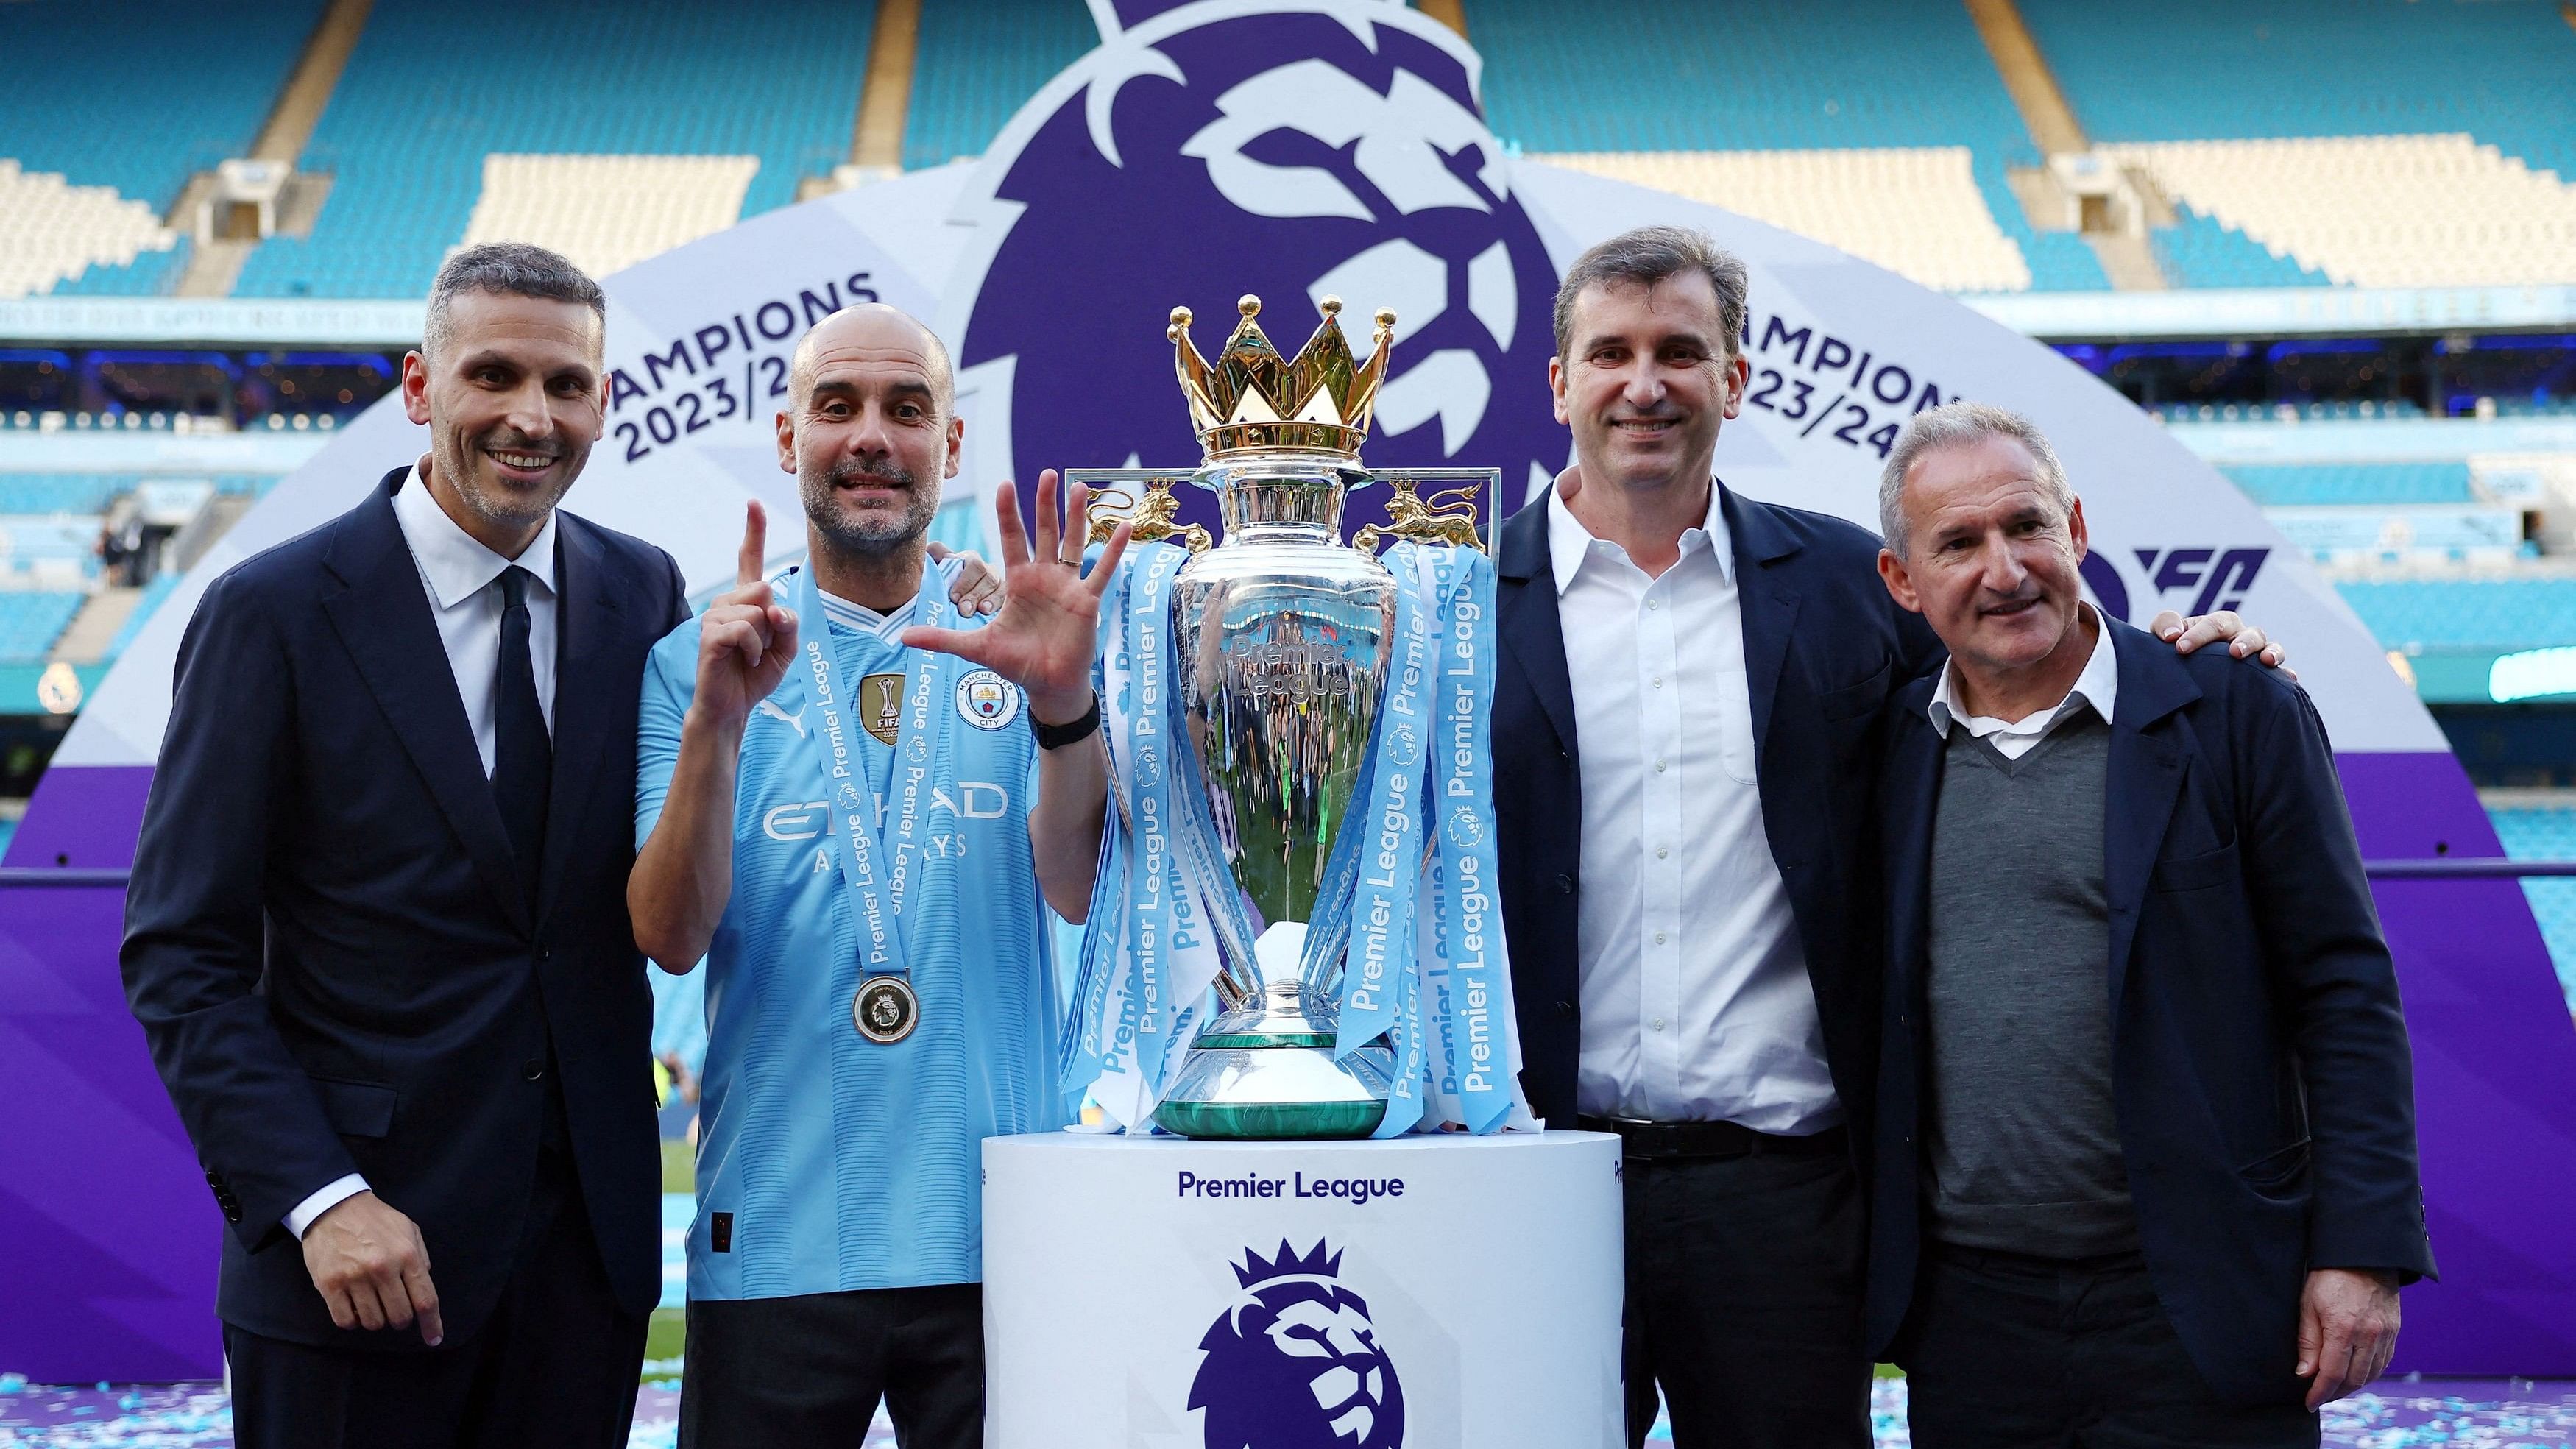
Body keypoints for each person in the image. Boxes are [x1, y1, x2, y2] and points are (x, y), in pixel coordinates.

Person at [1490, 225, 2287, 1449]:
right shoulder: (1454, 599)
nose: (1644, 383)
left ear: (1737, 378)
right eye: (1611, 352)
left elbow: (2019, 654)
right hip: (1539, 1181)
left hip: (1787, 1196)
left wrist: (2171, 646)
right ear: (1559, 383)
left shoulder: (1848, 585)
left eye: (1681, 352)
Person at [118, 243, 682, 1448]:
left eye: (568, 385)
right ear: (420, 388)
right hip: (355, 1268)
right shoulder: (269, 613)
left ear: (602, 404)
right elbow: (181, 954)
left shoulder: (646, 597)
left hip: (584, 1273)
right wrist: (319, 1201)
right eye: (495, 376)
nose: (533, 418)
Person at [1866, 403, 2432, 1445]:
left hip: (2199, 1299)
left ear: (2076, 529)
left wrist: (2361, 1252)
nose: (2005, 569)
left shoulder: (2236, 710)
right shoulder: (1885, 748)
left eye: (2026, 525)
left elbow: (2343, 990)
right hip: (1973, 1325)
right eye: (1958, 542)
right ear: (1904, 582)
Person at [629, 302, 1122, 1446]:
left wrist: (1061, 708)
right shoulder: (699, 659)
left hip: (1005, 1238)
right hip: (782, 1234)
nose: (871, 436)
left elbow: (1079, 888)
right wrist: (716, 725)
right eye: (837, 406)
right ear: (787, 434)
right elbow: (669, 933)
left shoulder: (1031, 634)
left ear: (951, 447)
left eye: (908, 410)